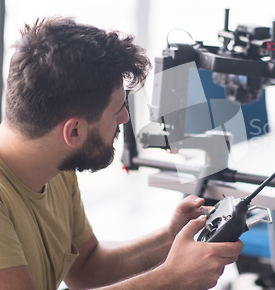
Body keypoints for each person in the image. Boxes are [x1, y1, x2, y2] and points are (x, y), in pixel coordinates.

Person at [0, 17, 243, 290]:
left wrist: (170, 238)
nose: (125, 118)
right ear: (74, 132)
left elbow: (86, 267)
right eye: (116, 110)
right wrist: (172, 278)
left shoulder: (55, 165)